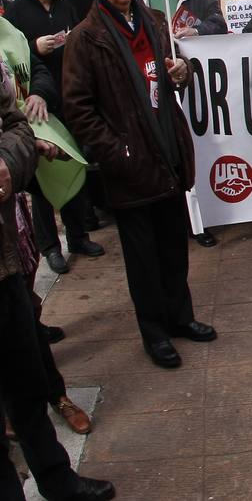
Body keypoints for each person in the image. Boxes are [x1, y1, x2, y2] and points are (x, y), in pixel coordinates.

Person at [62, 0, 214, 370]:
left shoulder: (151, 19)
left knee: (174, 248)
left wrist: (182, 71)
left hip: (166, 155)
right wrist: (119, 152)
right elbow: (79, 110)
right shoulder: (86, 39)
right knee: (143, 260)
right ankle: (155, 334)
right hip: (130, 169)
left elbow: (171, 73)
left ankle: (180, 318)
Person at [0, 80, 116, 500]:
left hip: (3, 266)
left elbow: (15, 123)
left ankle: (58, 482)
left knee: (27, 385)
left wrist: (8, 163)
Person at [4, 0, 102, 272]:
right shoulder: (17, 11)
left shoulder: (65, 7)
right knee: (42, 181)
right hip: (35, 110)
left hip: (68, 99)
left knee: (73, 166)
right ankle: (50, 247)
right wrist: (36, 48)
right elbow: (17, 57)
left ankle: (78, 235)